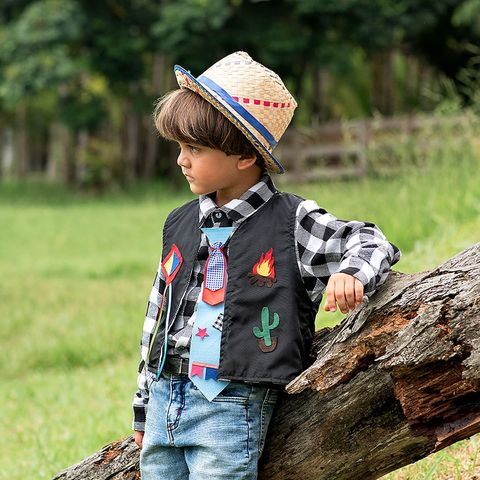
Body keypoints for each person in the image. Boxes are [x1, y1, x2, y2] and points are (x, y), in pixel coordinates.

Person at [131, 51, 401, 479]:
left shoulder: (290, 220)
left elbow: (368, 240)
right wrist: (144, 405)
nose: (181, 160)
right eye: (180, 147)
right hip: (167, 395)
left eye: (194, 149)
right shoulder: (180, 223)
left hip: (230, 400)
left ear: (243, 157)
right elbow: (158, 317)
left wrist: (351, 273)